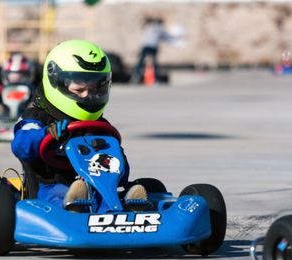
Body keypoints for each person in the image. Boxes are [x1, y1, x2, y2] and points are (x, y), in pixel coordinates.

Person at [11, 39, 146, 210]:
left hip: (95, 187)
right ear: (55, 81)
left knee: (137, 189)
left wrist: (116, 163)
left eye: (95, 91)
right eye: (79, 90)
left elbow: (121, 169)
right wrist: (45, 135)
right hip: (48, 190)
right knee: (60, 194)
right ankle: (75, 207)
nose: (87, 97)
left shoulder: (100, 126)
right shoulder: (36, 118)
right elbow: (21, 144)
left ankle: (129, 209)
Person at [133, 17, 172, 84]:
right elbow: (167, 37)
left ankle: (136, 75)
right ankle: (156, 78)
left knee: (140, 61)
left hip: (145, 45)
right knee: (154, 63)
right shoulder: (160, 28)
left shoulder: (149, 26)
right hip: (153, 46)